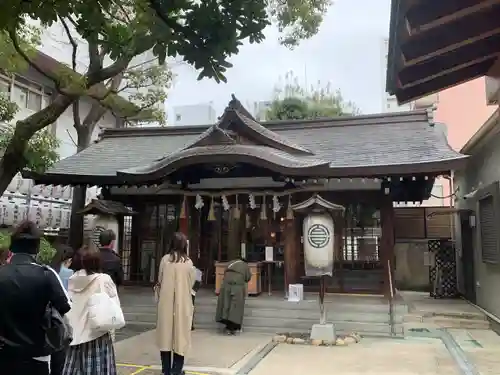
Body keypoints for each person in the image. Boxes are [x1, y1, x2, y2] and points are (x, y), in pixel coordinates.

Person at [0, 221, 71, 375]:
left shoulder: (1, 274)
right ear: (37, 248)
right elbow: (65, 307)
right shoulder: (47, 274)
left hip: (4, 354)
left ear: (12, 248)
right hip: (37, 354)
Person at [63, 245, 120, 375]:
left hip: (75, 337)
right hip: (97, 336)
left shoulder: (71, 280)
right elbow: (114, 308)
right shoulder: (103, 279)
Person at [156, 232, 195, 375]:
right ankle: (176, 371)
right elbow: (191, 283)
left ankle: (166, 370)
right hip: (183, 304)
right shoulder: (188, 262)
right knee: (181, 338)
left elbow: (159, 280)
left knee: (165, 338)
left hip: (165, 304)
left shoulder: (165, 260)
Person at [49, 244, 75, 375]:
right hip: (64, 315)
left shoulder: (48, 271)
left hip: (49, 315)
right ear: (68, 260)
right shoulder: (70, 274)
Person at [215, 257, 252, 335]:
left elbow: (225, 273)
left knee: (226, 305)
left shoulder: (230, 263)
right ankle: (232, 328)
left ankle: (227, 326)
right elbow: (248, 277)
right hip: (237, 287)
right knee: (235, 308)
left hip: (226, 286)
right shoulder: (245, 265)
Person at [191, 266, 203, 331]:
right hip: (187, 291)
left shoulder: (196, 271)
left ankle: (190, 324)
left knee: (190, 308)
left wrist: (192, 292)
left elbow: (198, 283)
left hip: (189, 292)